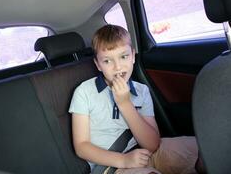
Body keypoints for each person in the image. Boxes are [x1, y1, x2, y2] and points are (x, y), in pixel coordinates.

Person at [69, 24, 199, 174]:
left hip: (145, 153)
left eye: (123, 56)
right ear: (98, 65)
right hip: (112, 165)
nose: (118, 67)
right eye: (107, 61)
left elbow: (152, 145)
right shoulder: (84, 92)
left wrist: (125, 104)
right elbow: (81, 146)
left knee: (201, 150)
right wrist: (123, 160)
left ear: (133, 55)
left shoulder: (141, 91)